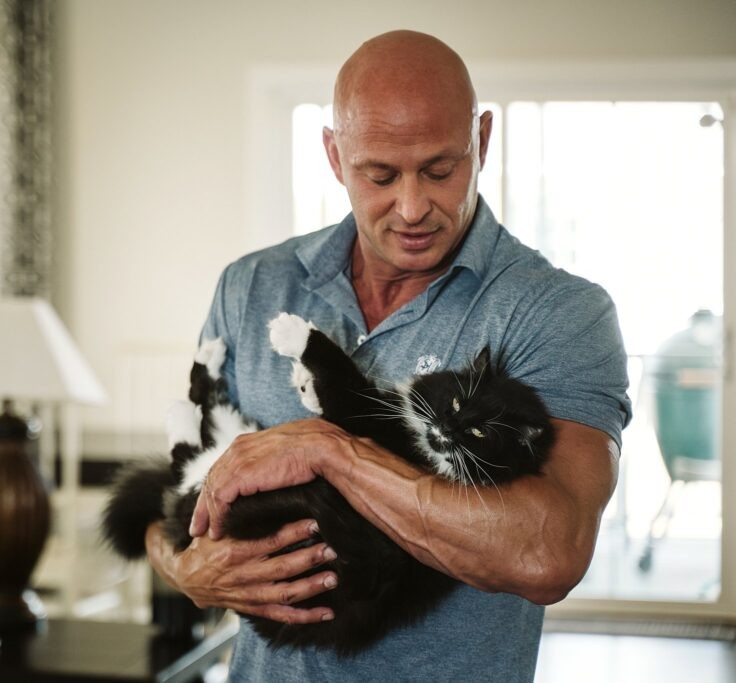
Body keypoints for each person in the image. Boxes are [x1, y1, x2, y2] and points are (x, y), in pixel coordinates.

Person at [144, 30, 631, 681]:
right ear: (334, 155)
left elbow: (551, 554)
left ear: (483, 141)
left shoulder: (557, 312)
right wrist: (182, 567)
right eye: (379, 175)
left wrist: (333, 450)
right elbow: (176, 489)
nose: (412, 207)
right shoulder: (252, 286)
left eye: (440, 170)